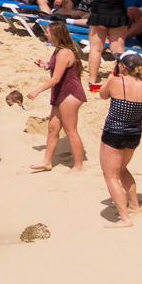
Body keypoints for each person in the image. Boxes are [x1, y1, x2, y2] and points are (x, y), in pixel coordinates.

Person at [98, 53, 142, 226]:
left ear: (123, 66)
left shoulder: (116, 81)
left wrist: (110, 78)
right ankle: (135, 207)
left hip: (114, 133)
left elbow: (102, 94)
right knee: (122, 170)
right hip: (134, 132)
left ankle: (124, 218)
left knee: (111, 176)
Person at [26, 23, 88, 173]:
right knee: (53, 128)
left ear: (56, 34)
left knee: (70, 130)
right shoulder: (59, 50)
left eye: (48, 32)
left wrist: (37, 91)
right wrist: (47, 65)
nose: (46, 35)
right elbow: (60, 69)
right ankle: (47, 162)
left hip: (70, 94)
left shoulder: (64, 52)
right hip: (61, 93)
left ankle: (79, 166)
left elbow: (56, 79)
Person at [75, 0, 132, 90]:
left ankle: (93, 82)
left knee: (96, 49)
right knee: (118, 50)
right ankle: (121, 79)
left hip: (100, 15)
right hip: (118, 16)